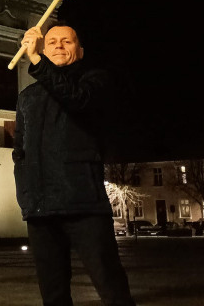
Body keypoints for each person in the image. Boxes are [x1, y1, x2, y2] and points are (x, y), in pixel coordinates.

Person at [13, 24, 136, 306]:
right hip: (41, 209)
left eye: (66, 41)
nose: (58, 45)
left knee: (111, 286)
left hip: (83, 204)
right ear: (44, 49)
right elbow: (19, 150)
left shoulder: (94, 82)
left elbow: (76, 99)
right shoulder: (27, 97)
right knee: (53, 293)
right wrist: (26, 192)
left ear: (79, 51)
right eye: (52, 41)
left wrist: (36, 61)